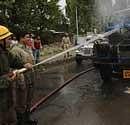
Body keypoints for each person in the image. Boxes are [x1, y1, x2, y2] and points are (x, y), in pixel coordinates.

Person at [0, 25, 18, 125]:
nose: (10, 42)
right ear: (1, 41)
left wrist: (24, 64)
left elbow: (14, 62)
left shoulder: (5, 53)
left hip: (7, 100)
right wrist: (9, 79)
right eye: (8, 39)